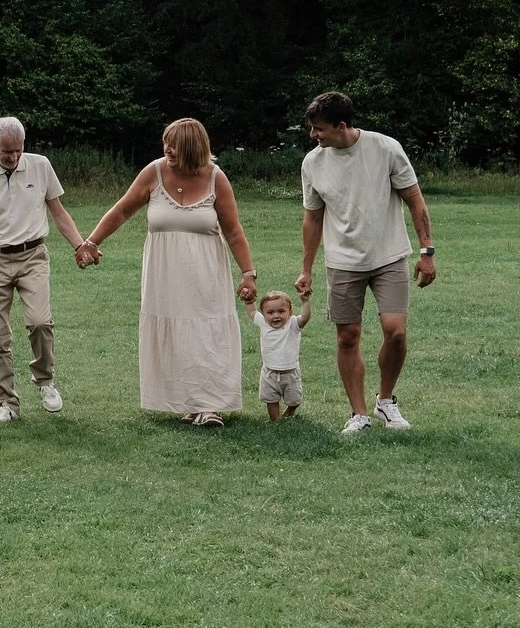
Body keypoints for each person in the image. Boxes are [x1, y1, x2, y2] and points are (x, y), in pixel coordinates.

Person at [77, 118, 257, 427]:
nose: (167, 149)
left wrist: (248, 273)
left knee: (204, 332)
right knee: (175, 332)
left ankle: (208, 405)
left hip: (206, 272)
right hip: (165, 273)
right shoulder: (154, 172)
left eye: (174, 145)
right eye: (165, 142)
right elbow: (121, 210)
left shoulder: (217, 179)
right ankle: (188, 403)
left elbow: (234, 231)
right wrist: (92, 242)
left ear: (192, 148)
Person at [296, 91, 436, 436]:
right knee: (348, 337)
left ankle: (386, 402)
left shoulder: (385, 148)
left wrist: (427, 251)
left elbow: (415, 200)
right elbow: (313, 219)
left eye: (319, 129)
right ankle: (359, 414)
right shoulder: (312, 163)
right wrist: (306, 268)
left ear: (341, 125)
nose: (314, 135)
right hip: (342, 262)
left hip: (388, 255)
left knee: (396, 332)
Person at [0, 117, 87, 422]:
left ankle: (45, 380)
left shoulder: (40, 166)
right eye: (5, 152)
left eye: (17, 150)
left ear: (24, 145)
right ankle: (7, 404)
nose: (12, 157)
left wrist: (79, 245)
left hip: (33, 254)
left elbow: (58, 212)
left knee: (40, 321)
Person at [245, 288, 311, 421]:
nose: (276, 316)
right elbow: (252, 311)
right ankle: (275, 421)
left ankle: (288, 412)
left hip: (290, 372)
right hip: (269, 372)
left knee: (294, 400)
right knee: (271, 399)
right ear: (263, 314)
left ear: (290, 312)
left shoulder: (293, 324)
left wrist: (305, 301)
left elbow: (305, 317)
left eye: (281, 311)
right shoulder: (263, 323)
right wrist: (249, 300)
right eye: (270, 312)